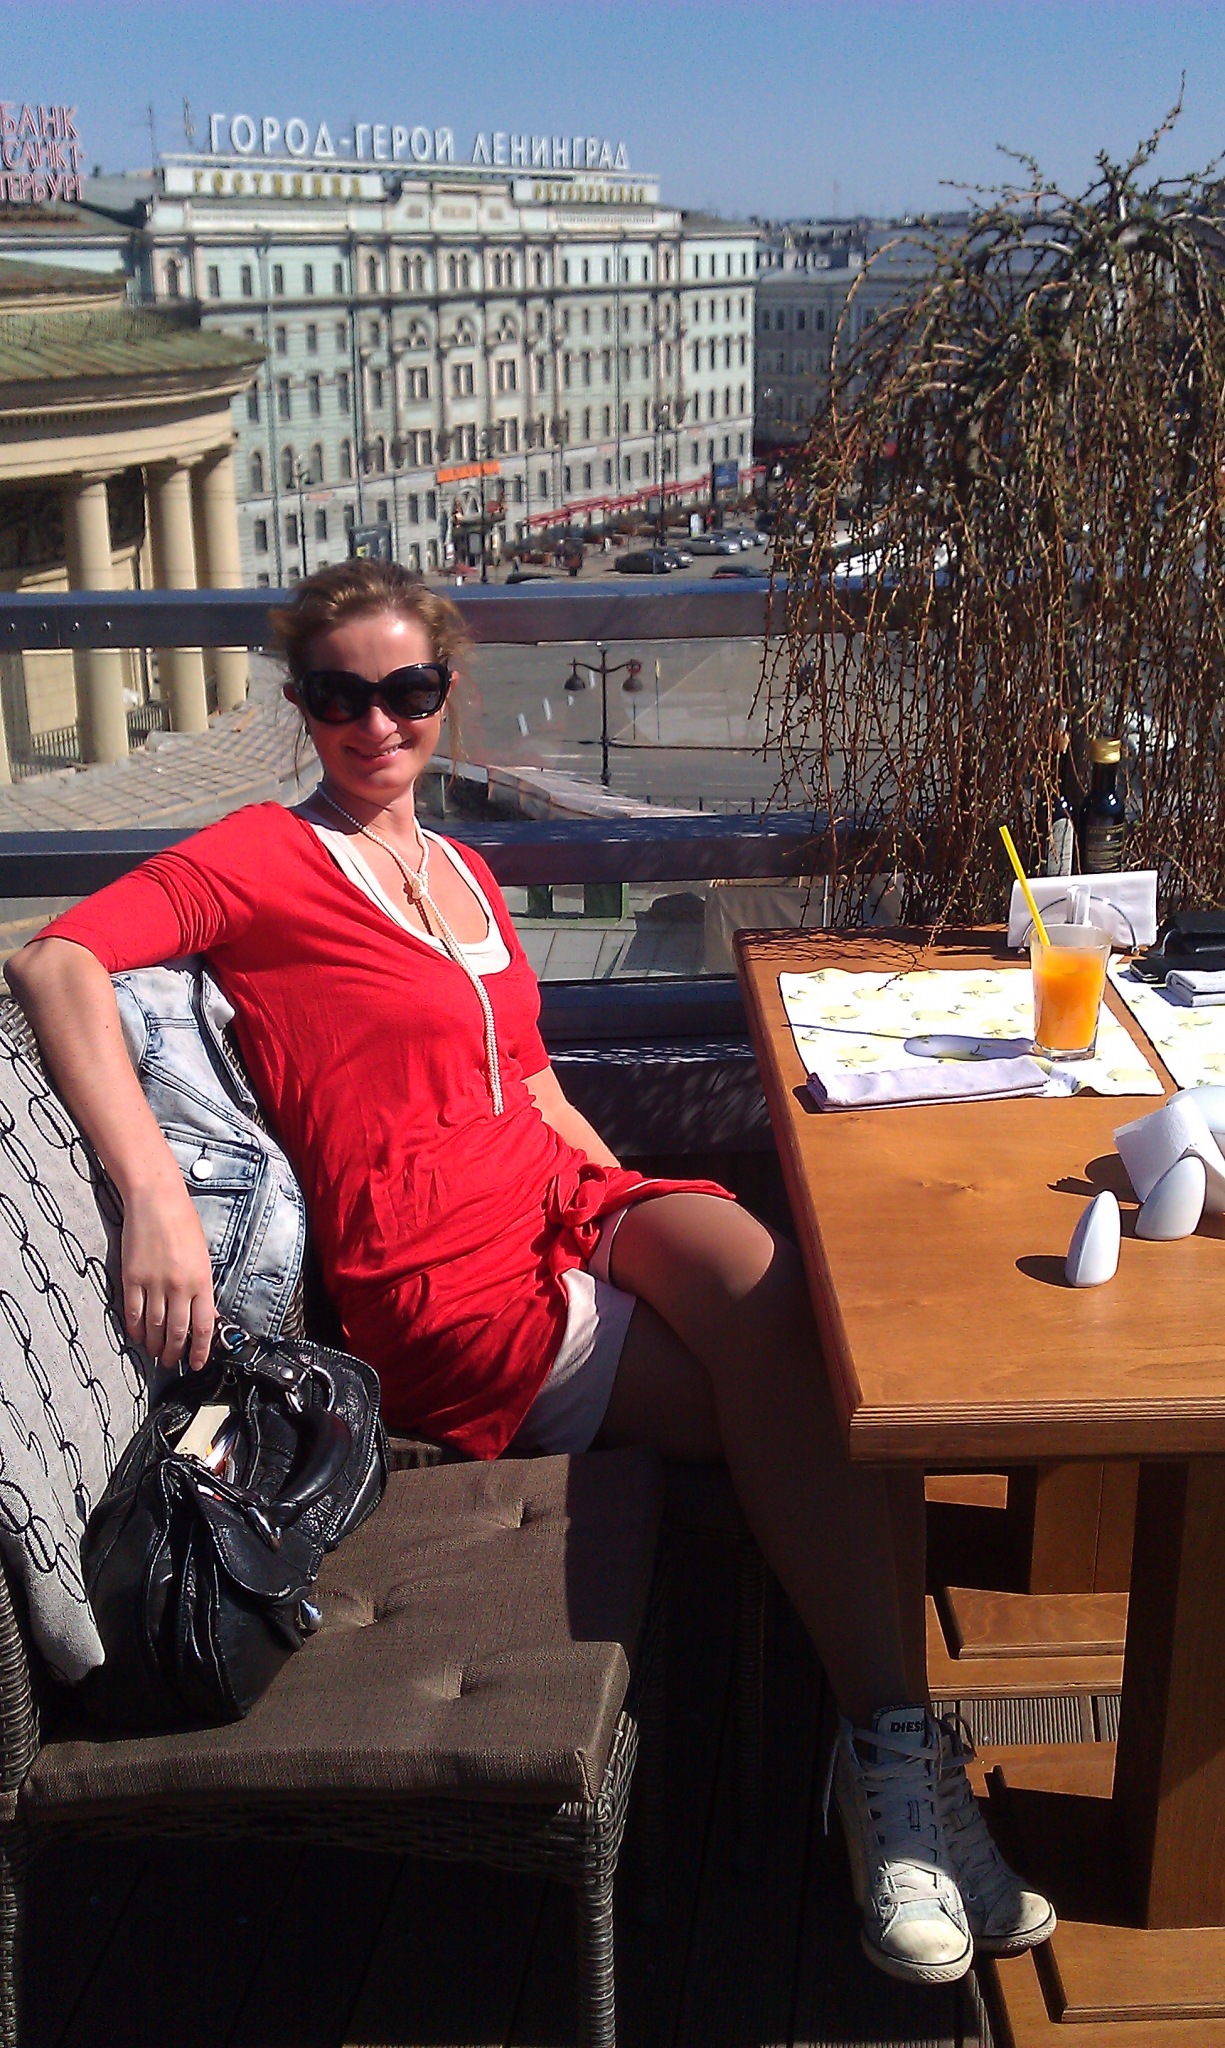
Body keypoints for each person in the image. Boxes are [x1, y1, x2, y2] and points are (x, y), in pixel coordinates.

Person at [5, 561, 1053, 1988]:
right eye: (338, 696)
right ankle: (900, 1781)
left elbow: (535, 1079)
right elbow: (60, 959)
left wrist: (630, 1217)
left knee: (800, 1314)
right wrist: (151, 1197)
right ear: (301, 706)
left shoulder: (465, 871)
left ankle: (887, 1763)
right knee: (824, 1409)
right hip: (440, 1272)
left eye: (406, 690)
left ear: (447, 690)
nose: (375, 724)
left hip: (559, 1191)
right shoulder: (262, 855)